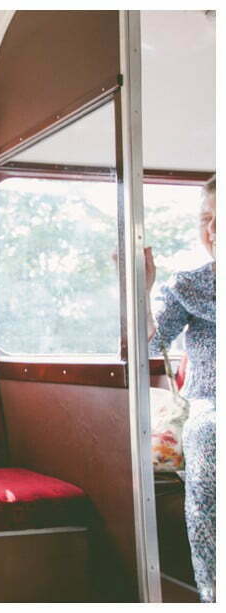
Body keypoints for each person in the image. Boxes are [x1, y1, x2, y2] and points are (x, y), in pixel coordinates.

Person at [146, 178, 216, 603]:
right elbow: (149, 344)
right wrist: (141, 287)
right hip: (213, 405)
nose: (210, 230)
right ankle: (214, 592)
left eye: (219, 220)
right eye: (204, 220)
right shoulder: (191, 285)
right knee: (209, 433)